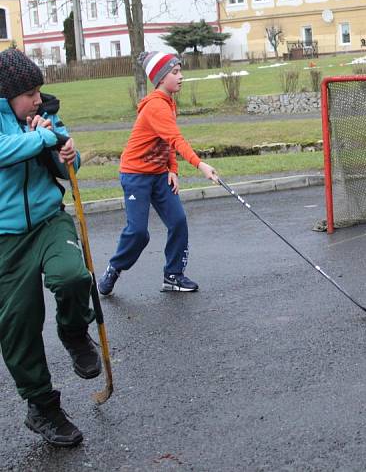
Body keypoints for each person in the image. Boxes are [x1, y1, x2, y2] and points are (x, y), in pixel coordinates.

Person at [0, 48, 101, 447]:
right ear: (7, 94)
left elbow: (67, 169)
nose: (38, 99)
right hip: (5, 237)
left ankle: (75, 332)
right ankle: (42, 407)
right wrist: (42, 137)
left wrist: (66, 156)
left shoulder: (45, 115)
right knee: (17, 325)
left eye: (39, 89)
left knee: (73, 276)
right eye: (30, 92)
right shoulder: (27, 125)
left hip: (48, 219)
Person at [97, 51, 218, 296]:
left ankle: (173, 276)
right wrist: (201, 165)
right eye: (175, 72)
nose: (181, 76)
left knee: (178, 221)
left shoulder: (169, 103)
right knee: (139, 233)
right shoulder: (156, 107)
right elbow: (176, 138)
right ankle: (114, 268)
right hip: (136, 175)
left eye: (180, 71)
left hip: (159, 175)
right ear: (161, 78)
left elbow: (166, 141)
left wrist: (172, 169)